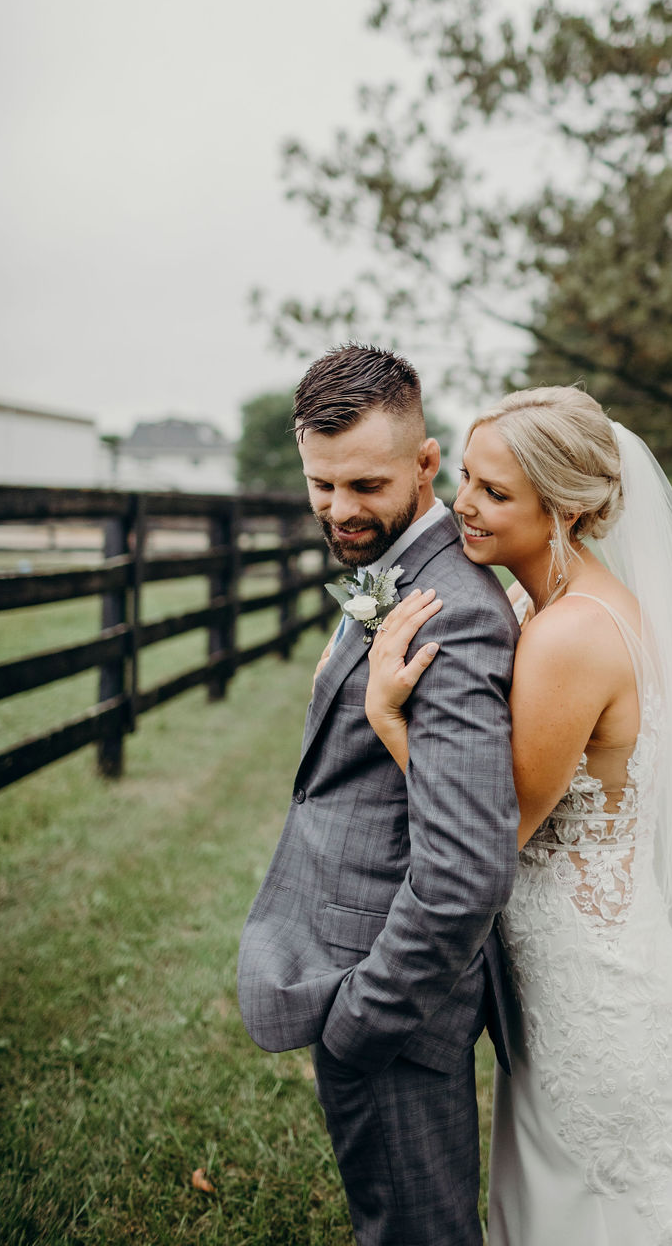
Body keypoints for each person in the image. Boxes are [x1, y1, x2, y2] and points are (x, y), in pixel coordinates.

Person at [364, 385, 672, 1245]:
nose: (463, 508)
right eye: (468, 480)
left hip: (589, 991)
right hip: (589, 962)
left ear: (563, 510)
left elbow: (492, 834)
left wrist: (387, 720)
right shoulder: (577, 606)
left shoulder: (569, 637)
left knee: (611, 1209)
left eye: (495, 493)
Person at [237, 345, 521, 1246]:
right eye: (321, 485)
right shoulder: (393, 566)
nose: (339, 510)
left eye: (364, 484)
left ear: (427, 463)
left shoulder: (458, 611)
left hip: (394, 1005)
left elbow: (467, 872)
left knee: (417, 1231)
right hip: (359, 969)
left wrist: (361, 1020)